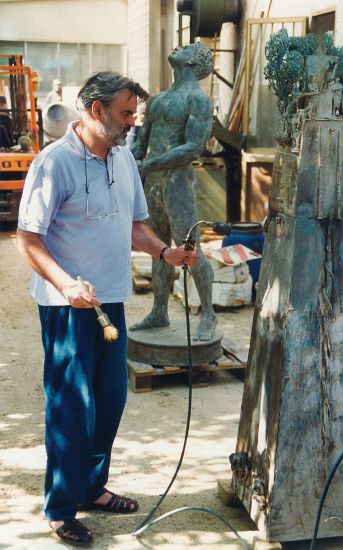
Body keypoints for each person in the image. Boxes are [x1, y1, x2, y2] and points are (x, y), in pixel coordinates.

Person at [16, 71, 197, 547]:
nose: (132, 122)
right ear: (95, 110)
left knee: (110, 401)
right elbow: (28, 238)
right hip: (67, 307)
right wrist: (66, 284)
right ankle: (59, 508)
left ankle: (90, 488)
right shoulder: (55, 164)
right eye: (125, 113)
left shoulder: (123, 160)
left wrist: (165, 253)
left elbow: (134, 224)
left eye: (133, 112)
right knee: (71, 407)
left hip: (111, 301)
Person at [130, 42, 217, 341]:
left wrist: (149, 163)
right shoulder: (157, 100)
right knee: (159, 249)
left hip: (177, 183)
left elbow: (192, 147)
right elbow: (141, 141)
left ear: (195, 62)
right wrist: (130, 161)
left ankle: (208, 313)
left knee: (190, 249)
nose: (179, 46)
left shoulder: (199, 100)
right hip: (152, 182)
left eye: (189, 47)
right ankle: (159, 310)